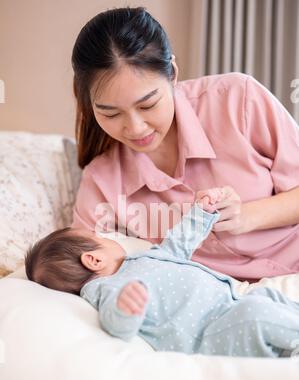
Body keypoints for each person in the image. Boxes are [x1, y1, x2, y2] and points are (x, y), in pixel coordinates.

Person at [71, 7, 299, 283]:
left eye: (148, 104)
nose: (136, 127)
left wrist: (246, 216)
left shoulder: (237, 99)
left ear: (173, 74)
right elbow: (82, 266)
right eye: (111, 114)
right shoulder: (102, 180)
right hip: (222, 302)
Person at [24, 189, 299, 358]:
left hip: (231, 307)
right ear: (94, 259)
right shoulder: (108, 288)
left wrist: (202, 213)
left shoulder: (139, 260)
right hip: (214, 334)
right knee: (257, 316)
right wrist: (124, 310)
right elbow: (115, 324)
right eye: (99, 236)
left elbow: (178, 243)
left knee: (267, 298)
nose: (108, 236)